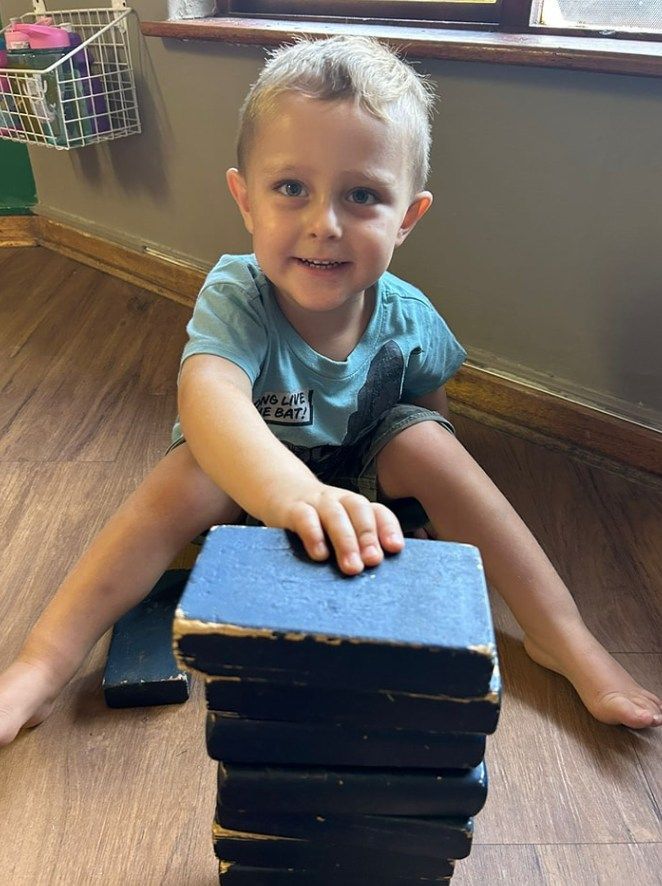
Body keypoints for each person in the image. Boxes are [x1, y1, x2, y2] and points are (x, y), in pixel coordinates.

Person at [0, 36, 660, 748]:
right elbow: (209, 396)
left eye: (363, 195)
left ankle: (562, 635)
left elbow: (432, 411)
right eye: (291, 188)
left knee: (430, 445)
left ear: (406, 218)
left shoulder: (411, 317)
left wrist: (429, 499)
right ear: (245, 199)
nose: (325, 222)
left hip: (363, 494)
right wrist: (292, 495)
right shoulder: (238, 294)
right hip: (251, 484)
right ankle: (43, 664)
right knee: (182, 477)